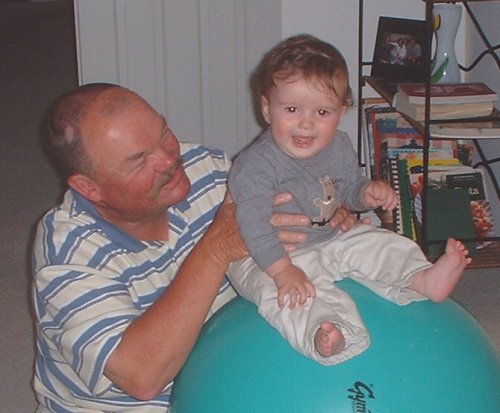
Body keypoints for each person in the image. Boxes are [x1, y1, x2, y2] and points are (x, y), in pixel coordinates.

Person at [31, 82, 361, 412]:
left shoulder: (207, 168)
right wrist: (216, 249)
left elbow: (287, 220)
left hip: (226, 373)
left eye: (163, 134)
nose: (169, 159)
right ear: (89, 188)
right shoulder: (66, 252)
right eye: (139, 160)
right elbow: (142, 377)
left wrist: (326, 216)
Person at [227, 34, 471, 366]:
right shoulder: (255, 165)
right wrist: (284, 270)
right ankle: (324, 331)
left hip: (329, 236)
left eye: (322, 112)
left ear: (341, 113)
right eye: (292, 109)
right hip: (267, 253)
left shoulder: (339, 146)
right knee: (286, 294)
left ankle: (419, 277)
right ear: (267, 108)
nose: (306, 123)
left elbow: (348, 188)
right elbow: (252, 225)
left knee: (379, 243)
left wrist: (366, 192)